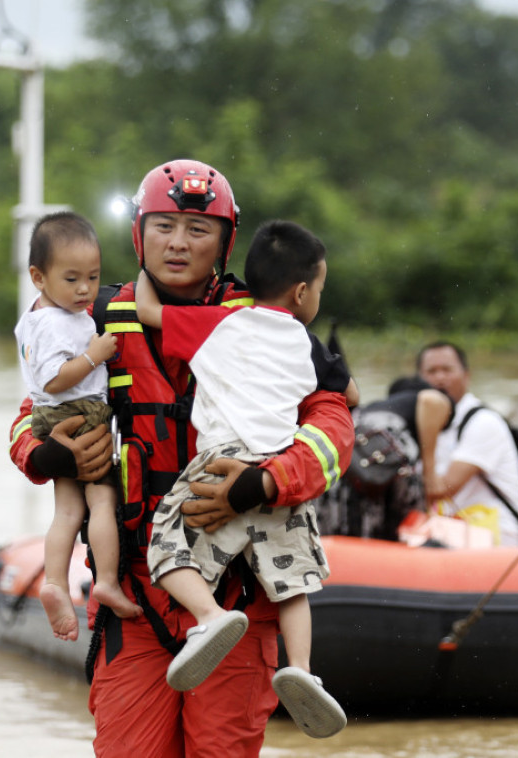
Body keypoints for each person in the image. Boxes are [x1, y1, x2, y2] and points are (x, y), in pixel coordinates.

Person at [8, 159, 355, 758]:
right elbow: (30, 411)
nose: (178, 242)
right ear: (141, 233)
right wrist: (48, 452)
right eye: (164, 226)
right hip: (137, 595)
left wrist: (265, 484)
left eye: (198, 230)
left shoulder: (266, 320)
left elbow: (332, 428)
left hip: (240, 599)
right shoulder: (88, 317)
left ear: (226, 242)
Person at [135, 219, 356, 737]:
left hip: (220, 461)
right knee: (294, 586)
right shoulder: (307, 345)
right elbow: (350, 395)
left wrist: (144, 270)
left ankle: (208, 616)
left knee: (166, 549)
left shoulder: (216, 324)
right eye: (320, 288)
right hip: (278, 465)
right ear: (302, 292)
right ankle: (300, 669)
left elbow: (147, 311)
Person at [14, 211, 142, 641]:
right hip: (80, 412)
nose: (85, 289)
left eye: (93, 276)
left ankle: (53, 582)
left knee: (67, 511)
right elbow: (53, 378)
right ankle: (105, 580)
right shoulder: (55, 323)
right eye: (72, 280)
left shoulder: (37, 315)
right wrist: (96, 354)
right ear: (38, 276)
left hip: (52, 419)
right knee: (102, 502)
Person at [416, 341, 518, 546]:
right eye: (431, 371)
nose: (439, 378)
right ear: (419, 380)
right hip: (449, 530)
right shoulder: (415, 421)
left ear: (466, 375)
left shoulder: (484, 422)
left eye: (447, 370)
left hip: (493, 534)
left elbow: (440, 490)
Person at [322, 376, 454, 540]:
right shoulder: (429, 399)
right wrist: (431, 477)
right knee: (403, 530)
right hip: (382, 464)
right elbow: (431, 400)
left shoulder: (372, 407)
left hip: (341, 467)